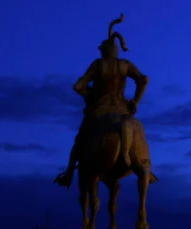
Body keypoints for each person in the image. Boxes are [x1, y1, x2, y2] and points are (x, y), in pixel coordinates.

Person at [54, 13, 149, 188]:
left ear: (104, 50)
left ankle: (68, 173)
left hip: (100, 109)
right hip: (122, 109)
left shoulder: (98, 65)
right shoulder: (125, 65)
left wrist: (88, 96)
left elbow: (77, 86)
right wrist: (135, 101)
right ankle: (146, 169)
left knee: (80, 139)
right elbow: (143, 80)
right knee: (138, 131)